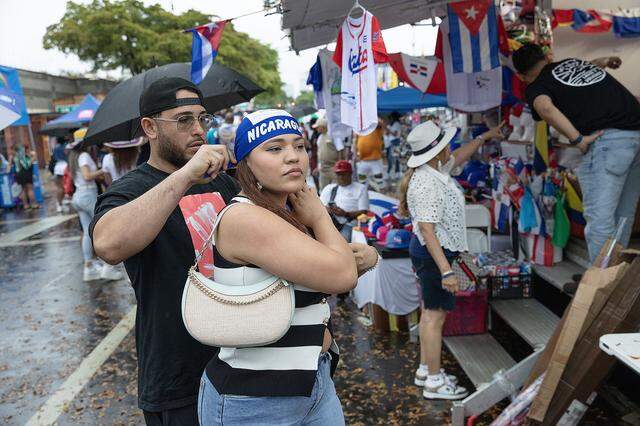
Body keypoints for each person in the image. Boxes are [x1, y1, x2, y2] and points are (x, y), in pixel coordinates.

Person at [198, 109, 377, 425]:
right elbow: (341, 274)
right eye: (274, 148)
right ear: (246, 163)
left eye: (299, 146)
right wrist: (320, 216)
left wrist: (361, 258)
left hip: (314, 381)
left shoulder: (292, 210)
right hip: (255, 400)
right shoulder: (245, 217)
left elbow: (326, 270)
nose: (293, 157)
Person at [90, 77, 239, 425]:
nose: (198, 129)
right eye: (184, 120)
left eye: (203, 118)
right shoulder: (131, 188)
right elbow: (109, 245)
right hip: (179, 378)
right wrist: (186, 175)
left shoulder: (223, 181)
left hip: (238, 362)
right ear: (150, 127)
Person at [398, 120, 503, 400]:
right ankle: (433, 381)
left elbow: (459, 156)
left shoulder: (433, 170)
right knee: (434, 317)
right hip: (435, 256)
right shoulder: (427, 184)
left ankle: (425, 369)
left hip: (432, 253)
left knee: (431, 314)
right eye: (447, 145)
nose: (451, 149)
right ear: (436, 152)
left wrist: (485, 137)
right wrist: (447, 271)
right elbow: (428, 231)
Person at [512, 44, 640, 262]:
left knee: (600, 219)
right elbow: (591, 66)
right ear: (546, 58)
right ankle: (616, 277)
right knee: (623, 216)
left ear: (522, 76)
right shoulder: (574, 64)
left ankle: (601, 285)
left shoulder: (537, 86)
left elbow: (545, 107)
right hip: (636, 135)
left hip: (609, 143)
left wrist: (577, 139)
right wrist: (606, 60)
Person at [99, 137, 145, 281]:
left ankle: (109, 268)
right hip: (134, 197)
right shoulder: (134, 156)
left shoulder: (107, 159)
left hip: (115, 198)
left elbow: (107, 182)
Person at [67, 129, 107, 281]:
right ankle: (106, 266)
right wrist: (102, 170)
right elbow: (87, 176)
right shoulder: (83, 155)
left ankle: (89, 266)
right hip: (87, 195)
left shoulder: (73, 156)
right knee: (99, 228)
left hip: (79, 195)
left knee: (87, 232)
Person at [320, 160, 369, 241]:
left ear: (350, 174)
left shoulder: (361, 188)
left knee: (342, 241)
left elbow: (364, 211)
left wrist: (346, 214)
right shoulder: (329, 188)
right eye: (339, 174)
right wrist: (331, 210)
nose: (341, 177)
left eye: (344, 174)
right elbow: (319, 206)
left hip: (349, 224)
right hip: (330, 223)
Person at [355, 119, 385, 191]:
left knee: (380, 182)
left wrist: (371, 117)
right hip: (362, 161)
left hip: (375, 160)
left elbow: (380, 123)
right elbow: (356, 141)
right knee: (362, 183)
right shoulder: (360, 129)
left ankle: (382, 195)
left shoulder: (376, 126)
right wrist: (356, 154)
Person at [316, 117, 343, 190]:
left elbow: (340, 149)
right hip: (323, 168)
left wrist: (339, 164)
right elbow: (319, 152)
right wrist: (318, 166)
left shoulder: (333, 135)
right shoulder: (319, 138)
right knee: (323, 189)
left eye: (318, 127)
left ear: (323, 127)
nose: (317, 129)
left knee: (336, 188)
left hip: (333, 167)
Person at [9, 144, 38, 210]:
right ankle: (34, 204)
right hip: (25, 174)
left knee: (23, 190)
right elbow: (26, 165)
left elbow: (10, 165)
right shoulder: (21, 155)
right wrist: (33, 158)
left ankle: (26, 205)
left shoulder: (14, 157)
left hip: (18, 175)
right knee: (30, 189)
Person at [51, 137, 69, 213]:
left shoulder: (55, 148)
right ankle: (60, 203)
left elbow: (54, 158)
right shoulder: (66, 147)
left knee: (59, 188)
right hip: (65, 167)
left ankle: (59, 204)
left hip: (57, 168)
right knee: (66, 187)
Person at [385, 112, 403, 178]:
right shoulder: (392, 124)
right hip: (391, 142)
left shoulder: (397, 124)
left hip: (395, 142)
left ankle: (391, 172)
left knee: (392, 158)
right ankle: (396, 172)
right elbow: (387, 133)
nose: (390, 119)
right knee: (393, 157)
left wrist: (388, 129)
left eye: (391, 118)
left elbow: (395, 134)